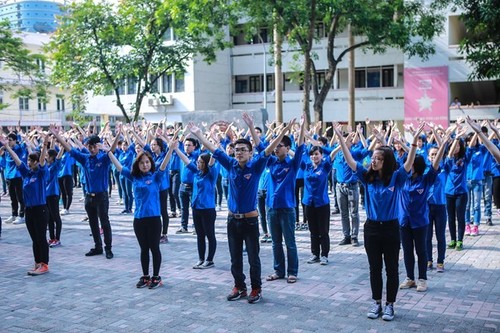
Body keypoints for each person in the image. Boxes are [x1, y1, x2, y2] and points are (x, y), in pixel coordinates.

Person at [187, 114, 291, 304]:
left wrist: (266, 129)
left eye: (243, 150)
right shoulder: (231, 164)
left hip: (250, 220)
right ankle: (239, 287)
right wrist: (199, 134)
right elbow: (214, 149)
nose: (239, 153)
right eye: (236, 150)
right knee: (235, 258)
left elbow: (267, 150)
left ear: (250, 153)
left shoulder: (257, 165)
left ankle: (256, 288)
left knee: (253, 258)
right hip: (232, 220)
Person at [334, 122, 423, 322]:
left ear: (387, 161)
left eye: (378, 158)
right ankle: (376, 302)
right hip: (372, 229)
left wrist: (414, 142)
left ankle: (390, 305)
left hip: (391, 228)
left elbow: (409, 163)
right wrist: (341, 139)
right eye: (373, 158)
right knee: (374, 268)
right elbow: (350, 161)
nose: (373, 161)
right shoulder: (367, 178)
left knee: (391, 268)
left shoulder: (397, 178)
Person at [108, 133, 175, 289]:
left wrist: (171, 149)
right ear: (137, 165)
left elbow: (164, 165)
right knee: (144, 249)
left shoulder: (156, 177)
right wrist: (109, 151)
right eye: (142, 163)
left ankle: (156, 277)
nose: (145, 165)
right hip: (139, 219)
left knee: (154, 248)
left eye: (147, 162)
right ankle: (145, 276)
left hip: (153, 219)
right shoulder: (134, 177)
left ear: (151, 163)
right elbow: (118, 166)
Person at [50, 126, 119, 259]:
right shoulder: (85, 158)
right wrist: (57, 136)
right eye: (90, 147)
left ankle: (108, 248)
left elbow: (113, 149)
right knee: (93, 223)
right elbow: (69, 148)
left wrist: (117, 136)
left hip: (101, 197)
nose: (92, 149)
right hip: (89, 197)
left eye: (94, 147)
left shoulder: (104, 158)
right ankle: (98, 246)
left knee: (104, 223)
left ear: (98, 146)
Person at [398, 129, 447, 293]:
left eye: (410, 163)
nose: (406, 165)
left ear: (415, 165)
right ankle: (410, 278)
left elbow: (435, 164)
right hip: (404, 221)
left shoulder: (426, 179)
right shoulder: (402, 179)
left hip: (420, 222)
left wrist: (443, 144)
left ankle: (422, 279)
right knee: (407, 251)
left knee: (421, 251)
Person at [0, 134, 49, 275]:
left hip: (41, 209)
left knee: (41, 238)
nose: (28, 162)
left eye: (30, 160)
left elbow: (42, 162)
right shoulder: (26, 174)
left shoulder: (40, 174)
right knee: (34, 239)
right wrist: (8, 147)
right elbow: (17, 160)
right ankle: (37, 262)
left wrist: (44, 146)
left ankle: (45, 264)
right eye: (28, 160)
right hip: (30, 210)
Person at [265, 115, 305, 284]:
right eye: (276, 145)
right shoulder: (271, 162)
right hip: (271, 208)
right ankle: (278, 270)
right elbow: (263, 147)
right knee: (275, 243)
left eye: (280, 145)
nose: (276, 148)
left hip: (287, 208)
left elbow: (301, 146)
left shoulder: (292, 163)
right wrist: (279, 132)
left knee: (290, 242)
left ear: (287, 148)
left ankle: (292, 271)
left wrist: (301, 127)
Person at [176, 147, 219, 269]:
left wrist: (214, 147)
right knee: (200, 234)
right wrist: (176, 149)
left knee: (210, 234)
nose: (198, 163)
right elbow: (186, 160)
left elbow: (212, 162)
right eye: (198, 162)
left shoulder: (211, 174)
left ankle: (209, 260)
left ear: (205, 164)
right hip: (196, 208)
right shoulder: (196, 172)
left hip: (207, 209)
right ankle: (201, 258)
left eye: (200, 162)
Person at [177, 137, 200, 233]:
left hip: (193, 186)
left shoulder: (197, 156)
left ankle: (196, 227)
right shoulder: (182, 155)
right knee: (183, 208)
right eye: (185, 145)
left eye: (189, 145)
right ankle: (184, 226)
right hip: (182, 185)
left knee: (194, 208)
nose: (187, 147)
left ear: (194, 147)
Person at [3, 132, 26, 224]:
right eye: (7, 140)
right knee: (13, 198)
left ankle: (22, 215)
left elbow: (22, 146)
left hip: (17, 175)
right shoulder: (6, 150)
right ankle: (14, 214)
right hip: (9, 176)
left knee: (20, 197)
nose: (8, 142)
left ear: (15, 141)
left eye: (10, 140)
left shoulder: (18, 149)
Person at [46, 147, 64, 247]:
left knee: (55, 216)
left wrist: (62, 143)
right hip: (46, 195)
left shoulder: (55, 166)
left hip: (53, 194)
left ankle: (57, 239)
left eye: (47, 156)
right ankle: (52, 238)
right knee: (49, 218)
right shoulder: (45, 167)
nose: (45, 157)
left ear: (52, 157)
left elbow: (59, 158)